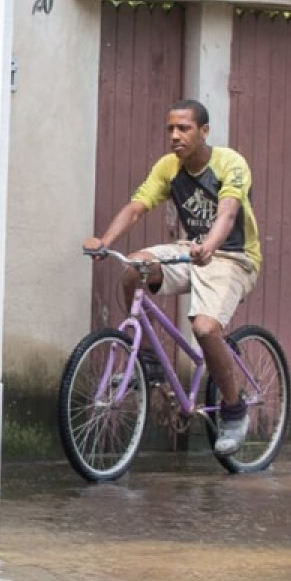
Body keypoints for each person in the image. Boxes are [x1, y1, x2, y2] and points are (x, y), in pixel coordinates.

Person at [85, 99, 262, 455]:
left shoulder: (230, 163)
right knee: (135, 267)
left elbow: (228, 212)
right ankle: (148, 360)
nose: (175, 136)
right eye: (170, 129)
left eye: (184, 128)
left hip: (233, 257)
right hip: (190, 251)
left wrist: (210, 246)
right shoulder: (168, 167)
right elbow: (137, 207)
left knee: (205, 329)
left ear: (204, 131)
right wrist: (105, 241)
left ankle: (233, 409)